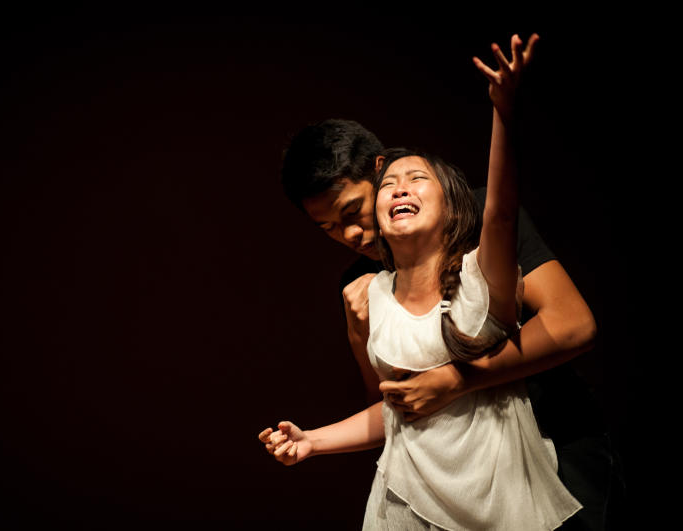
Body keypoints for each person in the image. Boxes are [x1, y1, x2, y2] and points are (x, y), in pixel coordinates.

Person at [261, 34, 623, 529]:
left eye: (352, 211)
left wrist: (457, 379)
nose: (350, 235)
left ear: (382, 173)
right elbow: (396, 407)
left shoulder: (477, 222)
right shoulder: (363, 283)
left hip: (551, 442)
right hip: (446, 484)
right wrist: (355, 336)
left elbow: (573, 324)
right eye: (329, 228)